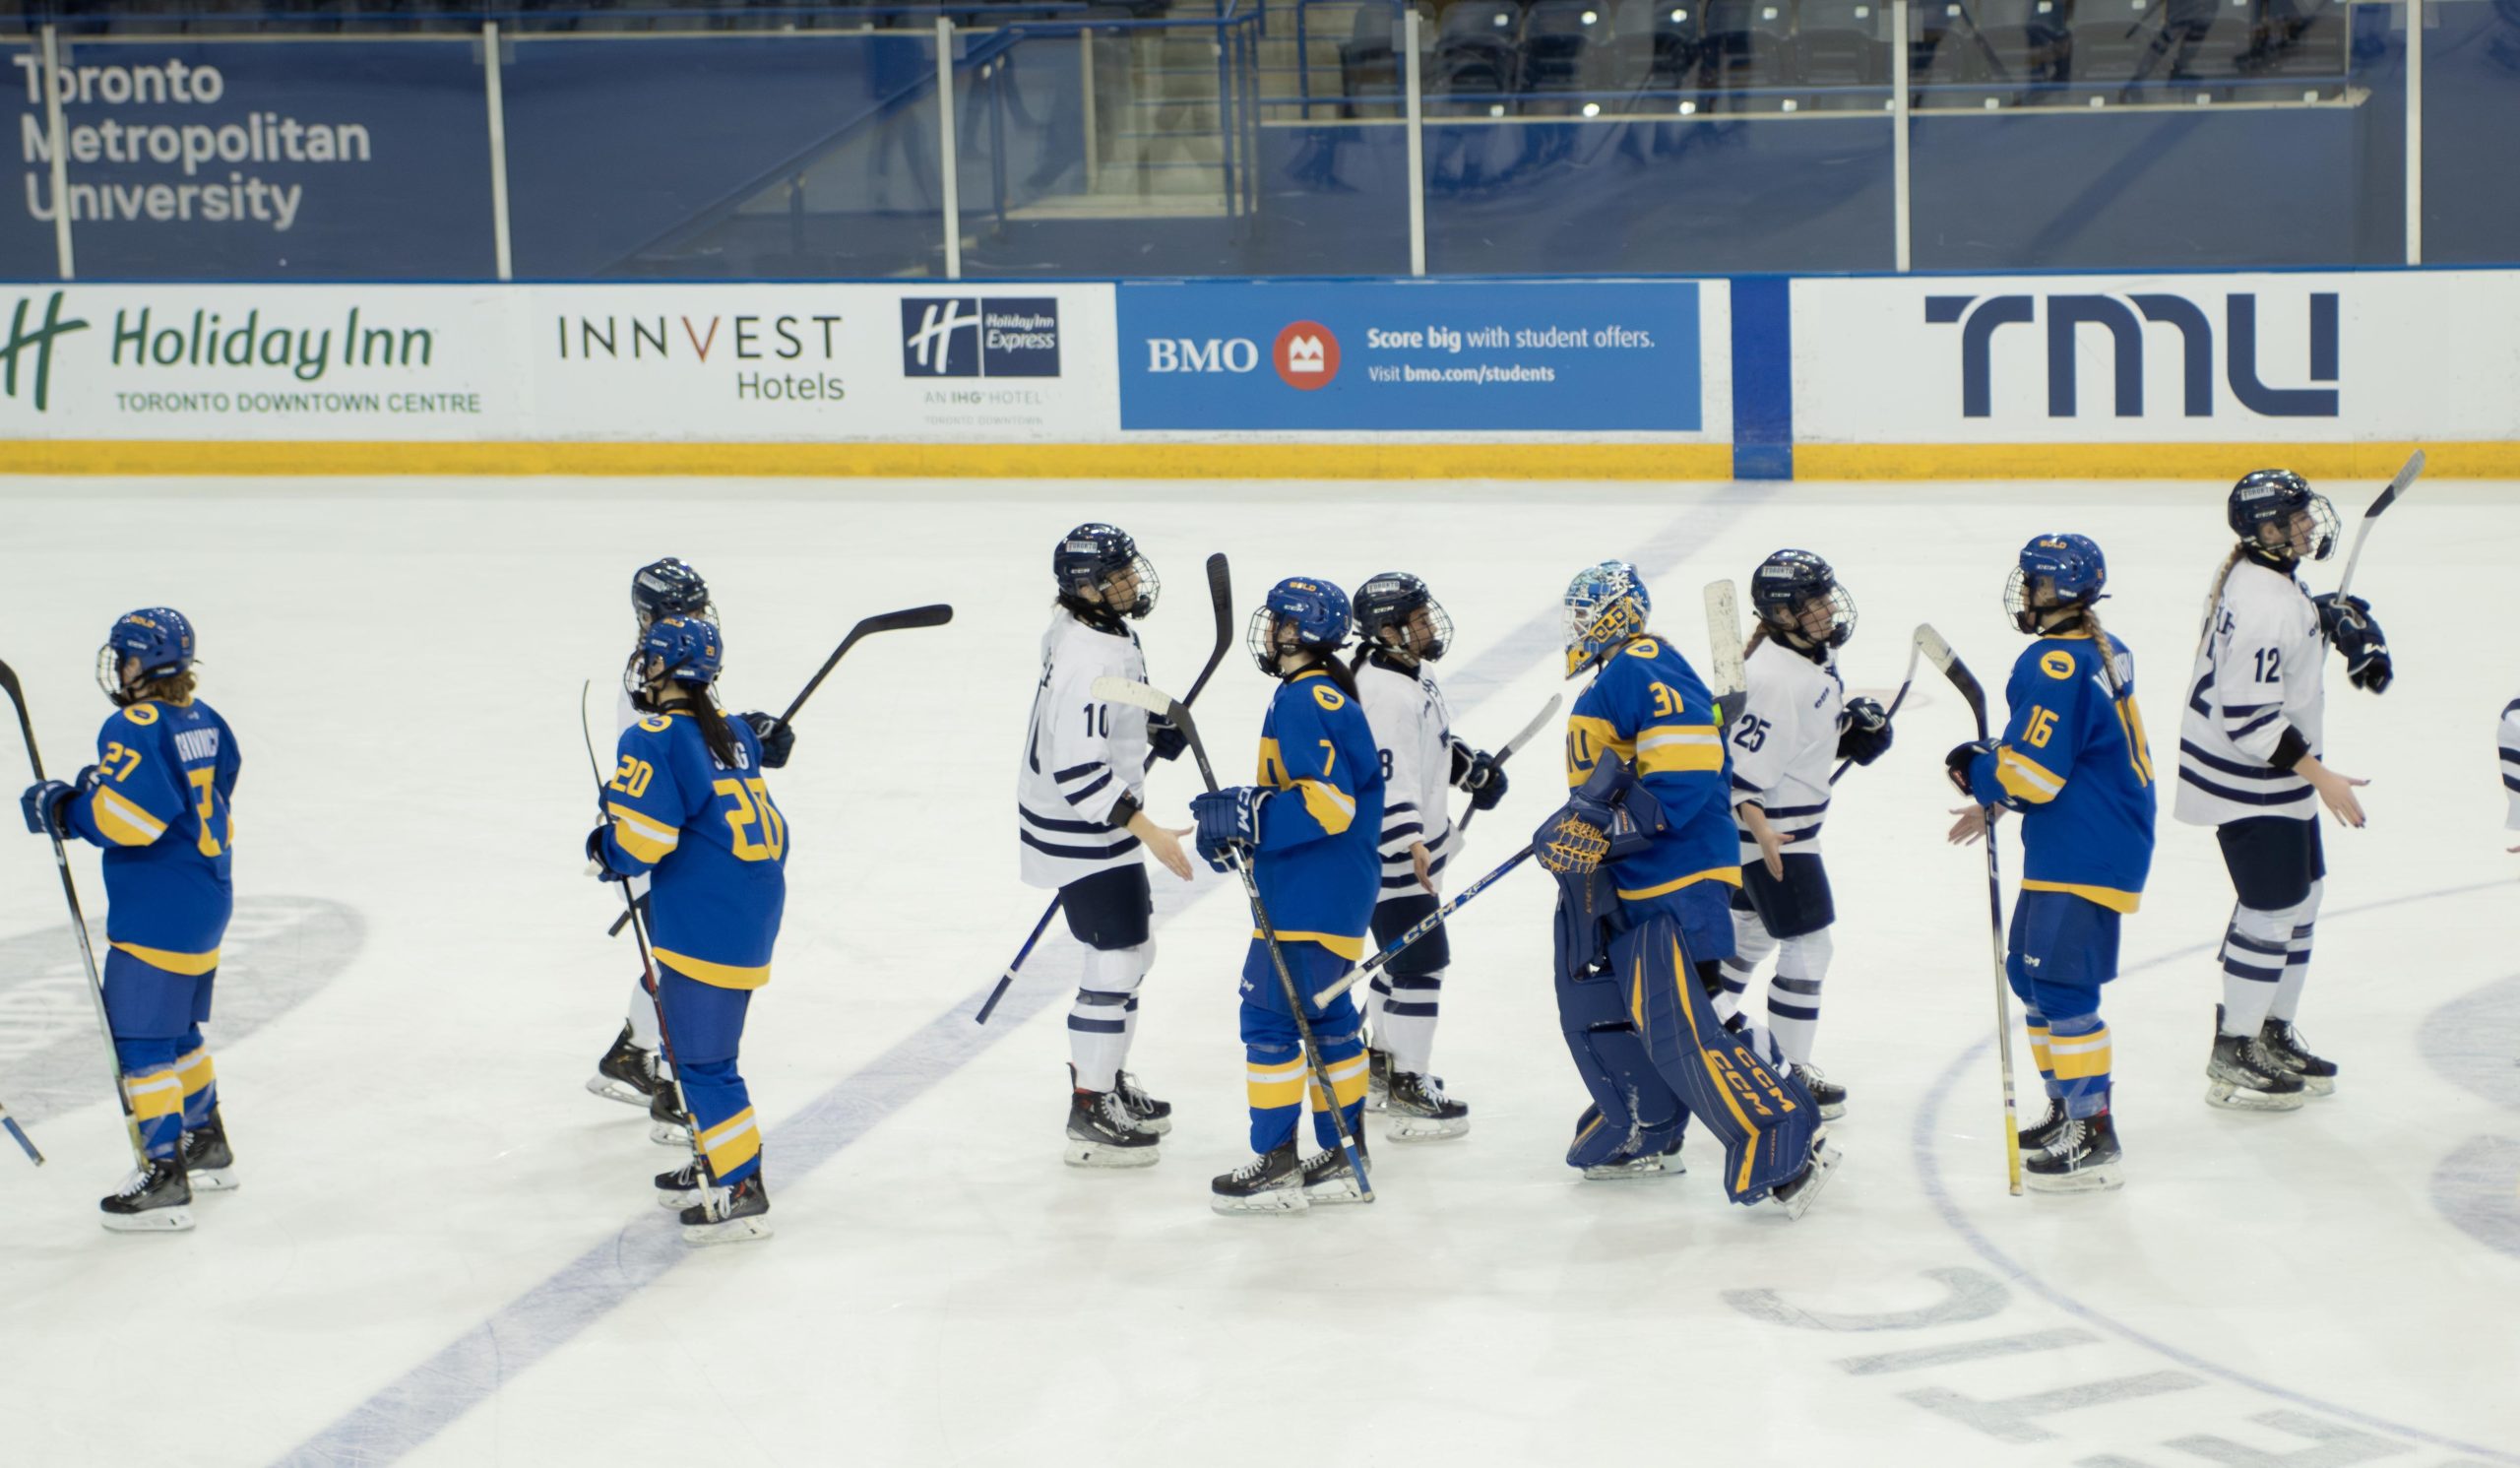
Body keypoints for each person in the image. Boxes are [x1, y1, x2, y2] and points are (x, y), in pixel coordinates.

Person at [1545, 561, 1837, 1215]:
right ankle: (1652, 1127)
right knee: (1644, 1015)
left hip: (1675, 877)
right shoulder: (1624, 671)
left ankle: (1790, 1136)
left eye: (1588, 613)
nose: (1579, 627)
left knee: (1688, 1020)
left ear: (1617, 614)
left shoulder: (1641, 661)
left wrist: (1604, 827)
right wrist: (1589, 824)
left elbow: (1685, 768)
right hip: (1644, 878)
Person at [1945, 534, 2156, 1192]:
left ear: (2057, 593)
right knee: (2029, 975)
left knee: (2062, 987)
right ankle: (2066, 1106)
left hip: (2086, 843)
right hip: (2083, 834)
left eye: (2033, 583)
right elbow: (2059, 751)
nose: (2025, 593)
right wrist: (1998, 789)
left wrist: (1979, 770)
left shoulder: (2052, 664)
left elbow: (2034, 772)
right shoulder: (2100, 646)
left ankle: (2093, 1132)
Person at [20, 608, 240, 1231]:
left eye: (125, 657)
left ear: (143, 664)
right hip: (207, 895)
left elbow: (127, 822)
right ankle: (207, 1140)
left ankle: (164, 1173)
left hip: (157, 911)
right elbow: (214, 786)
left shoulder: (132, 724)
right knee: (179, 1031)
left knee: (142, 1041)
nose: (120, 667)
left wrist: (66, 809)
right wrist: (98, 790)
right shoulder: (206, 718)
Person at [2174, 471, 2386, 1111]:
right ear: (2266, 530)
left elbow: (2283, 638)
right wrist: (2322, 776)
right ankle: (2235, 1043)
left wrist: (2324, 618)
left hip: (2270, 777)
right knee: (2271, 907)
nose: (2309, 526)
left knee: (2306, 895)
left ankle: (2270, 1028)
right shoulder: (2265, 600)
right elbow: (2249, 718)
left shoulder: (2268, 582)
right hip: (2251, 780)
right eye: (2296, 519)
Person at [589, 614, 788, 1245]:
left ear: (661, 668)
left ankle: (737, 1186)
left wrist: (605, 846)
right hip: (748, 906)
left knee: (704, 1064)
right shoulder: (731, 731)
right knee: (695, 1055)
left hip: (704, 917)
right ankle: (718, 1160)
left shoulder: (652, 737)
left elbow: (644, 841)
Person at [1194, 577, 1385, 1214]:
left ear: (1297, 631)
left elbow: (1328, 802)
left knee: (1271, 1020)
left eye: (1278, 621)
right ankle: (1340, 1151)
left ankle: (1277, 1163)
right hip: (1336, 891)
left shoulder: (1305, 698)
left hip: (1308, 892)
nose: (1269, 630)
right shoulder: (1326, 693)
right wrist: (1252, 820)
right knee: (1330, 1019)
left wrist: (1256, 818)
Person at [1017, 523, 1196, 1168]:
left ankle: (1107, 1075)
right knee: (1116, 960)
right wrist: (1149, 831)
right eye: (1118, 575)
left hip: (1096, 824)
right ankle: (1091, 1106)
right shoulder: (1086, 656)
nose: (1132, 582)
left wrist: (1151, 716)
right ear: (1085, 586)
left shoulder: (1093, 629)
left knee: (1133, 952)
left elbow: (1114, 696)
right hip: (1084, 827)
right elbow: (1078, 771)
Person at [1717, 549, 1891, 1120]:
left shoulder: (1807, 655)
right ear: (1783, 614)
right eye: (1813, 601)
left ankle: (1698, 1027)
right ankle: (1788, 1078)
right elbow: (1738, 777)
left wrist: (1850, 734)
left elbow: (1801, 742)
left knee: (1750, 936)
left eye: (1825, 595)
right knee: (1811, 944)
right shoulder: (1772, 678)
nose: (1827, 608)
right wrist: (1763, 837)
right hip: (1775, 841)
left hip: (1780, 836)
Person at [1348, 571, 1504, 1140]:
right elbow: (1389, 783)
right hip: (1393, 857)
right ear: (1388, 630)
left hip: (1409, 850)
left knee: (1402, 960)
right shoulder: (1383, 691)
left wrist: (1468, 767)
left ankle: (1383, 1070)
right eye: (1417, 619)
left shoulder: (1411, 672)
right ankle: (1410, 1085)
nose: (1429, 625)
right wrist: (1410, 843)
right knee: (1421, 962)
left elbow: (1428, 747)